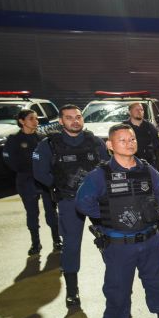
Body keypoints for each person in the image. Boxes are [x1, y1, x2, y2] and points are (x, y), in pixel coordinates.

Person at [75, 123, 159, 318]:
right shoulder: (100, 175)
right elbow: (83, 203)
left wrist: (148, 209)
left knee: (157, 282)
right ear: (110, 145)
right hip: (118, 245)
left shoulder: (146, 170)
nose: (129, 143)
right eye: (122, 140)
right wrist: (108, 218)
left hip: (150, 240)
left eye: (132, 139)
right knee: (117, 289)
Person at [33, 104, 109, 307]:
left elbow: (107, 167)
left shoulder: (95, 142)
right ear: (60, 121)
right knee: (71, 246)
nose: (75, 121)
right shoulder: (49, 144)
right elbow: (39, 172)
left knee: (110, 241)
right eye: (69, 118)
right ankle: (72, 291)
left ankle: (115, 283)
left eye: (78, 117)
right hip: (69, 201)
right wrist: (57, 187)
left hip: (96, 201)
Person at [3, 108, 61, 255]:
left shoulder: (42, 138)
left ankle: (57, 240)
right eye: (31, 118)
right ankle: (36, 243)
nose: (36, 121)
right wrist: (27, 170)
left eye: (36, 118)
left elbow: (52, 159)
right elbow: (9, 160)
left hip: (44, 181)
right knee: (32, 213)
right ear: (22, 121)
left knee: (52, 213)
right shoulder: (14, 139)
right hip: (26, 181)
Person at [123, 102, 159, 169]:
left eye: (141, 110)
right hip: (129, 164)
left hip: (149, 164)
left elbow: (157, 143)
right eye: (136, 109)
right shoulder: (123, 127)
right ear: (129, 112)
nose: (139, 112)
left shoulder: (150, 126)